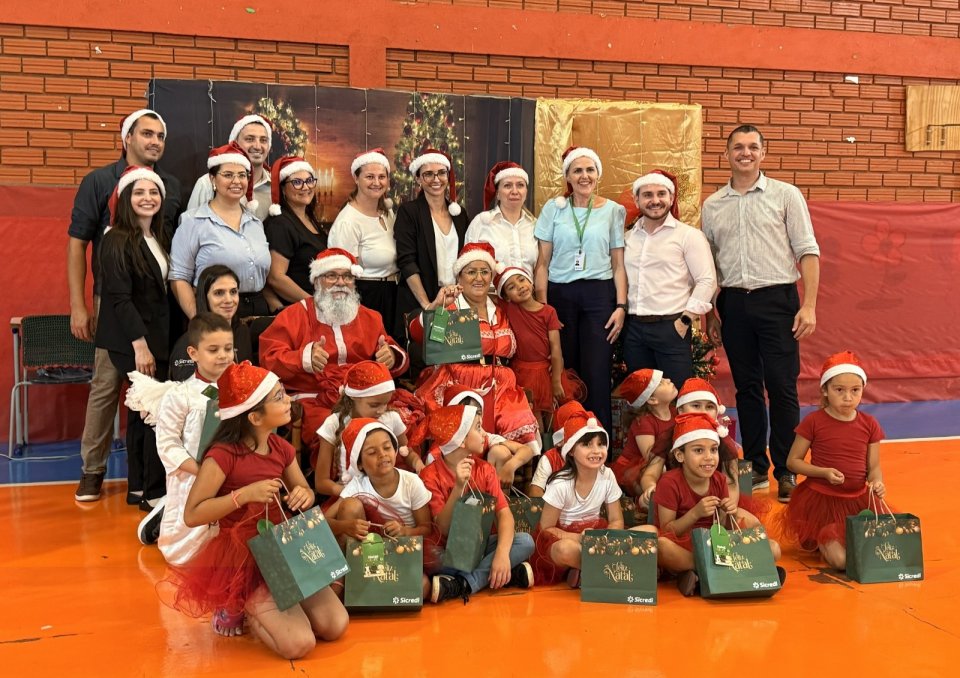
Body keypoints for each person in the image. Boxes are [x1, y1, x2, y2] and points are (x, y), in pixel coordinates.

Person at [173, 361, 348, 658]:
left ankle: (280, 603)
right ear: (254, 417)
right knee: (299, 644)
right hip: (245, 557)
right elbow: (193, 514)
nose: (289, 400)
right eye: (279, 397)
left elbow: (303, 490)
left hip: (284, 547)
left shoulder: (281, 448)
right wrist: (243, 495)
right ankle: (243, 605)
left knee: (335, 625)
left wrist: (303, 495)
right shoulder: (222, 455)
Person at [701, 124, 821, 503]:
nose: (745, 153)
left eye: (753, 147)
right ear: (727, 154)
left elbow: (807, 251)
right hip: (733, 303)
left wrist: (809, 305)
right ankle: (754, 463)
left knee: (782, 386)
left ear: (763, 153)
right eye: (738, 147)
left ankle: (786, 469)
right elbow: (708, 265)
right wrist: (711, 312)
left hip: (778, 301)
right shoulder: (713, 205)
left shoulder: (786, 195)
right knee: (747, 387)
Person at [72, 109, 182, 503]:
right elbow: (77, 244)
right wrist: (79, 305)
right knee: (107, 386)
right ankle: (92, 470)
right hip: (114, 302)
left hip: (156, 311)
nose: (155, 141)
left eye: (160, 135)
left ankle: (143, 484)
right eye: (147, 134)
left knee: (148, 399)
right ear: (127, 138)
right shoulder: (99, 181)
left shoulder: (171, 186)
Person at [258, 248, 409, 456]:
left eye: (347, 276)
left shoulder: (370, 317)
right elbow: (268, 359)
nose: (341, 282)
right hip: (314, 399)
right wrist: (303, 358)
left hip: (365, 398)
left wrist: (391, 356)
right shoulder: (294, 315)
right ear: (316, 281)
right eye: (331, 276)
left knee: (402, 421)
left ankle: (395, 474)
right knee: (336, 431)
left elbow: (395, 352)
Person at [408, 242, 540, 453]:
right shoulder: (450, 306)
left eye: (485, 272)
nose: (479, 278)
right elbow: (420, 335)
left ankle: (507, 462)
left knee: (518, 424)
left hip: (502, 385)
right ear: (459, 277)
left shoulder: (503, 309)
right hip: (459, 381)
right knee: (464, 425)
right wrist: (438, 307)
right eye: (471, 272)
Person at [534, 146, 627, 433]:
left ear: (598, 174)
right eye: (577, 170)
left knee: (597, 372)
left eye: (590, 170)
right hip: (560, 295)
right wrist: (544, 307)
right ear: (568, 177)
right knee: (565, 371)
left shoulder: (613, 211)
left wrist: (621, 306)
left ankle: (599, 444)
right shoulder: (553, 209)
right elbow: (542, 263)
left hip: (599, 296)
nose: (584, 176)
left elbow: (618, 265)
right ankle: (567, 440)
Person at [96, 166, 171, 511]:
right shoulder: (116, 238)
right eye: (139, 192)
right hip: (134, 341)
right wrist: (140, 345)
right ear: (126, 198)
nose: (147, 198)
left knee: (144, 413)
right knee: (150, 412)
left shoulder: (158, 235)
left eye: (153, 192)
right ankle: (150, 491)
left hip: (156, 337)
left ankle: (139, 487)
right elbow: (119, 298)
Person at [138, 313, 234, 564]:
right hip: (194, 476)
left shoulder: (240, 390)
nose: (223, 356)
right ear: (193, 353)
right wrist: (202, 471)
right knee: (195, 558)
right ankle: (165, 514)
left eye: (228, 349)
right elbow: (168, 444)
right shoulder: (181, 395)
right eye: (213, 350)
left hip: (232, 475)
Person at [655, 412, 783, 596]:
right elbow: (668, 530)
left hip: (717, 545)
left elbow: (722, 528)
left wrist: (729, 512)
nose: (709, 457)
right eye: (699, 451)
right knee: (661, 546)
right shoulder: (669, 482)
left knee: (773, 548)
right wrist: (695, 513)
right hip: (685, 544)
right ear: (680, 455)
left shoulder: (719, 480)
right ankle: (732, 571)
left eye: (714, 450)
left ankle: (700, 575)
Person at [781, 351, 886, 570]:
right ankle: (825, 537)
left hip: (858, 502)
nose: (848, 397)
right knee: (841, 561)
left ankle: (836, 539)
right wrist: (823, 472)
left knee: (881, 552)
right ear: (825, 390)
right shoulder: (813, 421)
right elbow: (793, 462)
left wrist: (877, 482)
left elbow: (874, 467)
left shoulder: (870, 424)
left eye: (855, 390)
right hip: (822, 503)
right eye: (839, 390)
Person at [419, 405, 535, 604]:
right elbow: (443, 528)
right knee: (429, 558)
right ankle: (503, 575)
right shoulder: (429, 475)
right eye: (478, 428)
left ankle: (462, 584)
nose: (484, 434)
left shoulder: (485, 470)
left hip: (480, 545)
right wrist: (458, 487)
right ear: (462, 440)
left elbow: (504, 515)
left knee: (525, 542)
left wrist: (501, 554)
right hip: (447, 550)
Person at [533, 414, 657, 587]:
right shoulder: (561, 483)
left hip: (599, 536)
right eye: (587, 444)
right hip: (570, 539)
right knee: (564, 550)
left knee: (651, 531)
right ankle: (620, 569)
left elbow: (616, 520)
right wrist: (579, 538)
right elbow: (546, 530)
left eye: (601, 444)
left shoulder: (607, 475)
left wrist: (607, 538)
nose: (596, 451)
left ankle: (588, 570)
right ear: (571, 450)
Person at [623, 170, 716, 386]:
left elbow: (707, 280)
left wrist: (685, 320)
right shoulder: (628, 238)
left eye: (661, 194)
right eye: (647, 195)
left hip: (671, 328)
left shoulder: (688, 236)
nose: (655, 200)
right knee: (641, 397)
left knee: (677, 393)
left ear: (671, 198)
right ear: (637, 200)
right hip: (634, 330)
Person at [171, 142, 281, 320]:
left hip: (257, 312)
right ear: (213, 179)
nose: (236, 181)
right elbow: (179, 277)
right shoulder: (192, 221)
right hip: (214, 312)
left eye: (242, 175)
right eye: (228, 175)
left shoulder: (255, 224)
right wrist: (199, 319)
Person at [314, 361, 423, 500]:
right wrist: (352, 493)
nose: (381, 410)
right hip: (350, 498)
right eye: (374, 405)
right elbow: (321, 483)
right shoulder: (334, 424)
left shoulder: (391, 418)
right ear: (354, 396)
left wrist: (417, 463)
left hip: (387, 495)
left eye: (385, 403)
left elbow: (407, 452)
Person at [495, 265, 584, 434]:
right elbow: (486, 295)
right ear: (506, 296)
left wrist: (556, 381)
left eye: (522, 280)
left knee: (551, 414)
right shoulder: (510, 309)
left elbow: (556, 348)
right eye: (511, 287)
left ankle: (551, 447)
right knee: (533, 417)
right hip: (522, 374)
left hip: (546, 373)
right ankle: (539, 448)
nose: (520, 287)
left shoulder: (548, 312)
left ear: (531, 282)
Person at [394, 148, 469, 346]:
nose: (436, 179)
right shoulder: (409, 212)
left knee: (453, 354)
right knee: (428, 356)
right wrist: (428, 306)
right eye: (428, 174)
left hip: (454, 301)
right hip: (422, 301)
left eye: (441, 173)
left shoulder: (459, 214)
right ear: (418, 178)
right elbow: (407, 262)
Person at [329, 149, 401, 343]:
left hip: (392, 294)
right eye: (369, 176)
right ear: (356, 178)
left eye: (382, 177)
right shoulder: (348, 221)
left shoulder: (387, 213)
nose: (377, 182)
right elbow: (344, 275)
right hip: (366, 297)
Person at [168, 265, 253, 380]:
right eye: (219, 293)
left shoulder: (242, 331)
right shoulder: (188, 341)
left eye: (233, 292)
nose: (229, 300)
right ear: (205, 297)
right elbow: (188, 388)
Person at [264, 156, 327, 305]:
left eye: (309, 180)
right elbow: (276, 278)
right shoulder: (280, 224)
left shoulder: (310, 218)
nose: (306, 187)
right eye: (297, 182)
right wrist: (314, 304)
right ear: (283, 189)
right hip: (297, 309)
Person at [186, 114, 273, 221]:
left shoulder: (276, 187)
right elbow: (189, 226)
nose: (257, 146)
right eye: (250, 139)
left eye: (263, 140)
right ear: (234, 143)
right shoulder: (207, 184)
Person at [610, 369, 677, 499]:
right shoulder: (644, 422)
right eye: (661, 382)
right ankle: (649, 499)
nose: (668, 380)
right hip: (639, 464)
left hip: (664, 458)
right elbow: (650, 456)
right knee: (653, 473)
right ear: (652, 399)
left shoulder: (674, 412)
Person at [465, 161, 537, 273]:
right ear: (497, 193)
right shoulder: (481, 223)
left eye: (520, 185)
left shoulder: (535, 225)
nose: (515, 191)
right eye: (507, 185)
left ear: (526, 192)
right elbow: (467, 268)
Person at [528, 400, 588, 498]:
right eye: (574, 435)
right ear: (561, 440)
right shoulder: (550, 458)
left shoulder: (593, 456)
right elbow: (535, 492)